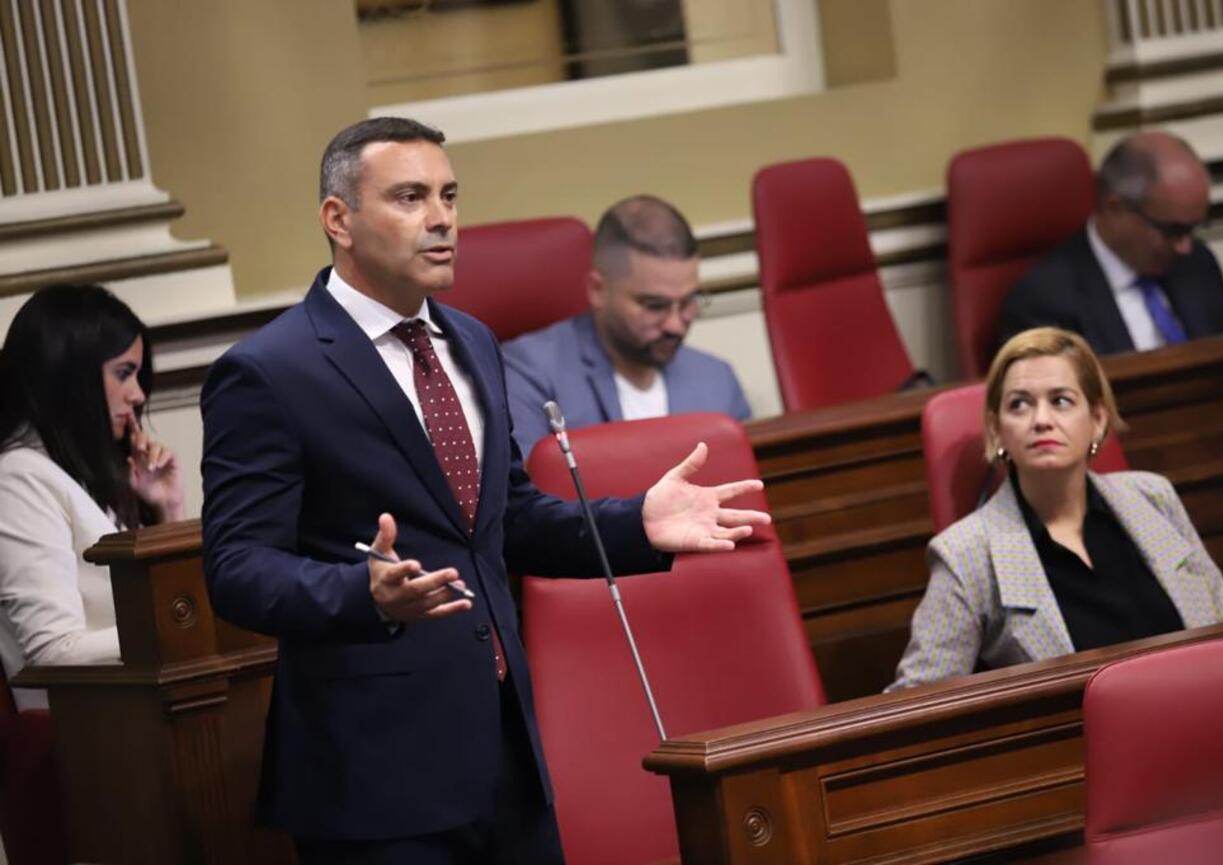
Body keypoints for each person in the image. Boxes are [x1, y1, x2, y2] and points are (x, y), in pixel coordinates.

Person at [200, 117, 769, 865]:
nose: (441, 219)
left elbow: (508, 523)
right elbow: (237, 568)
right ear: (338, 219)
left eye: (449, 195)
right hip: (375, 779)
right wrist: (361, 594)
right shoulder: (270, 371)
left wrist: (636, 524)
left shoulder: (470, 339)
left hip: (506, 753)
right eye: (409, 197)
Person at [888, 327, 1223, 691]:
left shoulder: (1154, 498)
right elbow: (917, 702)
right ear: (996, 431)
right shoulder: (966, 555)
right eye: (1019, 404)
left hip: (1207, 714)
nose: (1041, 420)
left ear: (1098, 420)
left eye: (1060, 401)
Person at [0, 284, 184, 709]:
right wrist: (179, 626)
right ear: (71, 375)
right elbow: (51, 652)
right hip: (83, 738)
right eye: (123, 373)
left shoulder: (75, 475)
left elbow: (161, 599)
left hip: (126, 717)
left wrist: (166, 509)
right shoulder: (19, 478)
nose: (137, 395)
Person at [502, 195, 750, 459]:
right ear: (598, 290)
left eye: (689, 301)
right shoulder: (530, 374)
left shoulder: (717, 380)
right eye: (655, 306)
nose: (676, 326)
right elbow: (531, 495)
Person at [998, 131, 1223, 355]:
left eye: (1193, 229)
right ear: (1115, 209)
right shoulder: (1045, 303)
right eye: (1173, 230)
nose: (1185, 246)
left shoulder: (1198, 265)